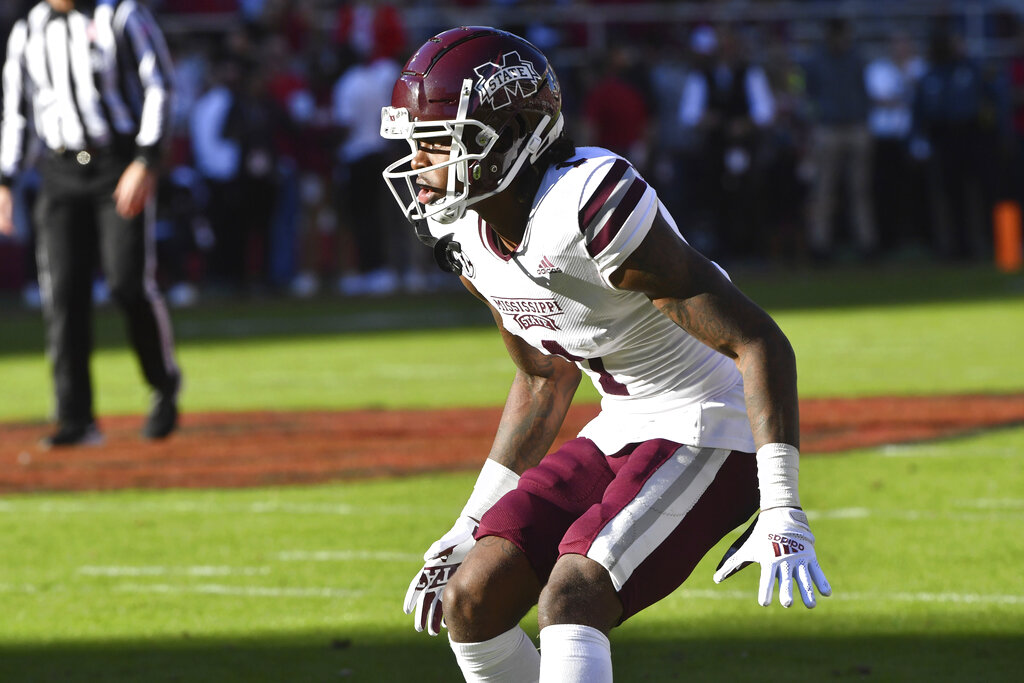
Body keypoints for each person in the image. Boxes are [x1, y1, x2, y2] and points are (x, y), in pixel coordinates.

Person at [380, 27, 831, 682]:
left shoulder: (587, 205)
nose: (419, 165)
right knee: (471, 599)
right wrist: (470, 519)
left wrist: (783, 504)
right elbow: (542, 376)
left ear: (508, 139)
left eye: (437, 144)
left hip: (712, 423)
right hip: (623, 423)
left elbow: (756, 339)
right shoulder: (460, 229)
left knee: (572, 595)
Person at [0, 0, 182, 447]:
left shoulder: (120, 15)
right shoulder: (29, 30)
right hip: (58, 171)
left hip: (115, 165)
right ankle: (76, 417)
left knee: (127, 282)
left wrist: (146, 158)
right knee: (62, 294)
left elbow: (159, 84)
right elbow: (17, 109)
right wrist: (5, 178)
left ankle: (162, 384)